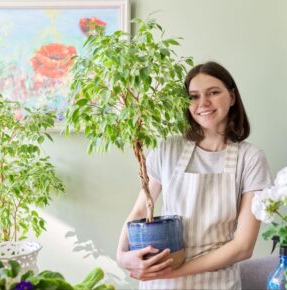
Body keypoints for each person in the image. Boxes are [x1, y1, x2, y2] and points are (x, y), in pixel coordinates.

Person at [116, 61, 271, 289]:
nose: (203, 103)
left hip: (215, 283)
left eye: (213, 92)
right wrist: (121, 256)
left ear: (232, 97)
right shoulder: (168, 149)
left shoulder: (251, 158)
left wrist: (172, 273)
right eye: (194, 96)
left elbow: (243, 246)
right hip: (160, 284)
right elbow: (140, 210)